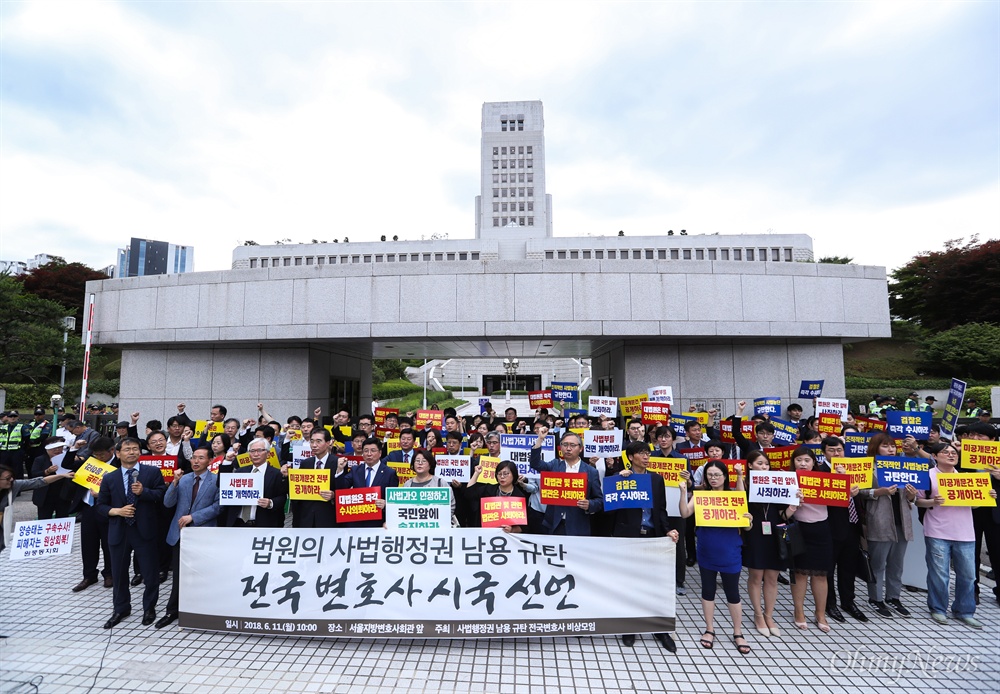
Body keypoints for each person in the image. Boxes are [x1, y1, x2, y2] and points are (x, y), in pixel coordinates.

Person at [916, 441, 997, 628]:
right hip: (937, 531)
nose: (951, 455)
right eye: (945, 452)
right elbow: (919, 502)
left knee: (968, 575)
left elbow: (974, 505)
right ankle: (938, 608)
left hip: (965, 533)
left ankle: (964, 610)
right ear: (934, 457)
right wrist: (932, 502)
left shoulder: (967, 479)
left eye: (954, 452)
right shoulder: (928, 476)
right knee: (940, 574)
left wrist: (987, 497)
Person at [678, 459, 753, 654]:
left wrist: (748, 520)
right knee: (707, 590)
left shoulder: (734, 496)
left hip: (730, 551)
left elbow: (746, 526)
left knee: (733, 593)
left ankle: (738, 632)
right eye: (709, 475)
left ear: (724, 477)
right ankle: (709, 629)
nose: (713, 478)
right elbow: (685, 513)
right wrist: (682, 492)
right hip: (706, 549)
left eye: (717, 475)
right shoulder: (701, 496)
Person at [613, 441, 681, 652]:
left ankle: (659, 629)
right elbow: (612, 505)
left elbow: (661, 510)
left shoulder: (656, 479)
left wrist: (667, 529)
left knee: (655, 584)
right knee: (630, 583)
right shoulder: (622, 477)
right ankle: (630, 627)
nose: (646, 456)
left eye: (647, 453)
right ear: (631, 456)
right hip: (630, 537)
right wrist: (619, 480)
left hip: (653, 535)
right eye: (641, 453)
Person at [95, 437, 167, 629]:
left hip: (144, 530)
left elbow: (161, 496)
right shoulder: (110, 477)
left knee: (150, 574)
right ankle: (121, 608)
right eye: (127, 449)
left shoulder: (152, 472)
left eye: (135, 449)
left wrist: (144, 492)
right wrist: (117, 511)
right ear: (118, 454)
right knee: (118, 573)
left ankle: (149, 608)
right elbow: (101, 505)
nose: (132, 452)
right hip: (119, 530)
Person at [156, 447, 221, 629]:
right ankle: (172, 610)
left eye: (201, 458)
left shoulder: (216, 480)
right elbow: (168, 503)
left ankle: (200, 610)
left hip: (203, 533)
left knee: (201, 574)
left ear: (209, 461)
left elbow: (218, 507)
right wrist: (174, 484)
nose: (196, 461)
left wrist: (194, 517)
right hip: (180, 534)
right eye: (193, 458)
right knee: (179, 575)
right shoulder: (183, 479)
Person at [861, 432, 918, 619]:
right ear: (875, 448)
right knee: (878, 563)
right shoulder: (868, 468)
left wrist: (911, 494)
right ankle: (875, 599)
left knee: (897, 563)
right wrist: (878, 491)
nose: (891, 449)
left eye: (893, 446)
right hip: (880, 519)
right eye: (885, 446)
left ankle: (894, 597)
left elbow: (912, 498)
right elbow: (858, 491)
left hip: (901, 520)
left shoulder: (904, 467)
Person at [742, 450, 795, 638]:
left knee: (772, 577)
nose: (764, 467)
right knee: (756, 576)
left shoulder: (777, 482)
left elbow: (782, 515)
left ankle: (769, 615)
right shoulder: (744, 484)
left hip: (775, 533)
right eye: (759, 463)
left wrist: (792, 508)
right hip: (754, 533)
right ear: (749, 465)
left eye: (766, 464)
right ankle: (757, 614)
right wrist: (741, 481)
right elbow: (740, 506)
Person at [784, 446, 833, 632]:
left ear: (814, 463)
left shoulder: (827, 480)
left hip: (821, 528)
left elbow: (843, 495)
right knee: (800, 573)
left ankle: (820, 614)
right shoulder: (788, 481)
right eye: (798, 460)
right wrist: (793, 501)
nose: (803, 464)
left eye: (807, 460)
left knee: (821, 574)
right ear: (793, 462)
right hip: (798, 528)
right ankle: (799, 611)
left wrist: (844, 479)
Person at [529, 429, 603, 535]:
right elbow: (535, 464)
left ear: (580, 448)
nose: (568, 448)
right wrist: (540, 439)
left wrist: (589, 504)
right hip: (554, 524)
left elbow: (599, 501)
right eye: (565, 445)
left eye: (572, 445)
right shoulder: (555, 465)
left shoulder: (591, 471)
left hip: (577, 526)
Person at [0, 464, 73, 552]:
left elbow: (39, 482)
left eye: (11, 477)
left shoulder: (14, 485)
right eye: (7, 478)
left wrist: (61, 475)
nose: (11, 480)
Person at [335, 438, 399, 527]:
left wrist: (386, 504)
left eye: (373, 451)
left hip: (378, 523)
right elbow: (341, 489)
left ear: (380, 453)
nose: (369, 454)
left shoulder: (390, 473)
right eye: (365, 451)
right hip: (356, 521)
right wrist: (339, 470)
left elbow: (394, 502)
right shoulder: (355, 470)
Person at [223, 439, 287, 529]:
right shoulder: (240, 471)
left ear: (268, 454)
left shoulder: (277, 474)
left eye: (260, 451)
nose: (256, 454)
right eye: (252, 451)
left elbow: (282, 497)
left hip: (262, 524)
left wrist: (271, 503)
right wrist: (227, 461)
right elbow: (222, 485)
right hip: (237, 523)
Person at [288, 428, 343, 528]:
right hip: (307, 518)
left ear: (328, 443)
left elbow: (344, 488)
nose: (314, 445)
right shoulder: (306, 463)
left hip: (329, 518)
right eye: (312, 441)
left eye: (318, 441)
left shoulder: (338, 462)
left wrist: (333, 495)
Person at [467, 459, 535, 533]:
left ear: (514, 475)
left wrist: (512, 530)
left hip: (508, 539)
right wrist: (476, 473)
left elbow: (525, 526)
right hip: (486, 534)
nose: (502, 477)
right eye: (499, 474)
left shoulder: (519, 497)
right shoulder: (488, 489)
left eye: (506, 474)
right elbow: (469, 492)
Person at [404, 448, 459, 527]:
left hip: (438, 526)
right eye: (417, 461)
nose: (420, 463)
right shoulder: (407, 485)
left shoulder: (440, 483)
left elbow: (451, 506)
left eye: (424, 461)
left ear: (430, 464)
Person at [30, 438, 71, 520]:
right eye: (54, 448)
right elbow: (34, 474)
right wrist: (47, 471)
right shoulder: (40, 459)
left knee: (63, 518)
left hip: (62, 494)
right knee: (44, 518)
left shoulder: (67, 459)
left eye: (60, 448)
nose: (57, 450)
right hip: (45, 495)